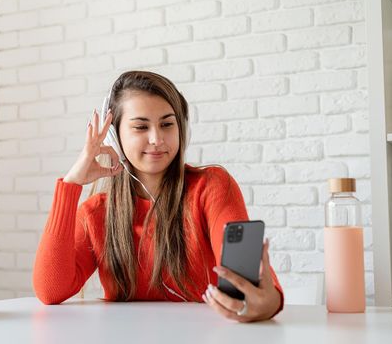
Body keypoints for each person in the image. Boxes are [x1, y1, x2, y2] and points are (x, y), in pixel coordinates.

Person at [33, 71, 284, 322]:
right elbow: (50, 291)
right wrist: (70, 185)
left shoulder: (212, 186)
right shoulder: (95, 212)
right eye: (141, 127)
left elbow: (255, 289)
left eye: (167, 124)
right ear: (115, 138)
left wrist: (266, 303)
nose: (157, 139)